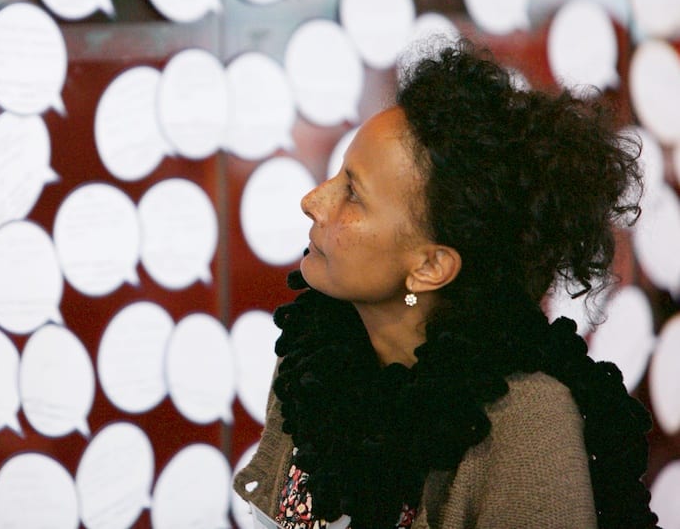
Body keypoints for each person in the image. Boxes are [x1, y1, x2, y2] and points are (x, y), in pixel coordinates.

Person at [234, 41, 659, 529]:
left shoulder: (524, 423)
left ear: (431, 267)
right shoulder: (313, 359)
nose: (313, 200)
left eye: (353, 193)